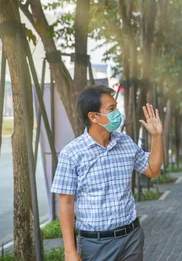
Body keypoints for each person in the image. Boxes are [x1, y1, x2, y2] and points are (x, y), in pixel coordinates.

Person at [51, 85, 163, 261]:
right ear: (94, 117)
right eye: (111, 109)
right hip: (95, 244)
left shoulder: (125, 142)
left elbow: (153, 170)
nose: (117, 113)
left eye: (116, 107)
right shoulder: (72, 153)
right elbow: (66, 204)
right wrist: (70, 251)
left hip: (131, 238)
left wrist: (156, 137)